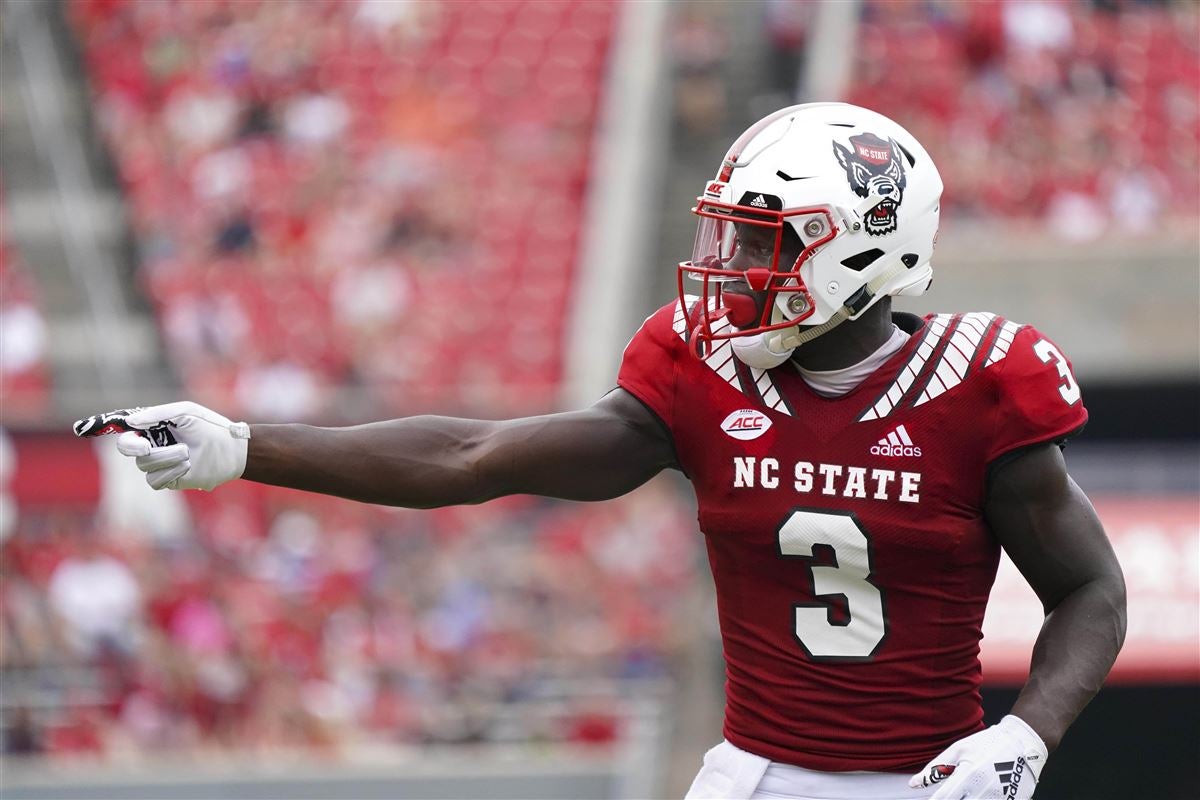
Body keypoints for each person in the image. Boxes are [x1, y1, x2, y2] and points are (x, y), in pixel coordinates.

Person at [77, 103, 1126, 800]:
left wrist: (1026, 731)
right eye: (728, 238)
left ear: (868, 247)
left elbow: (1090, 589)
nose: (729, 268)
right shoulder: (701, 373)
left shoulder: (979, 382)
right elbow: (475, 453)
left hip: (929, 778)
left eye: (763, 245)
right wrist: (247, 446)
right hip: (751, 773)